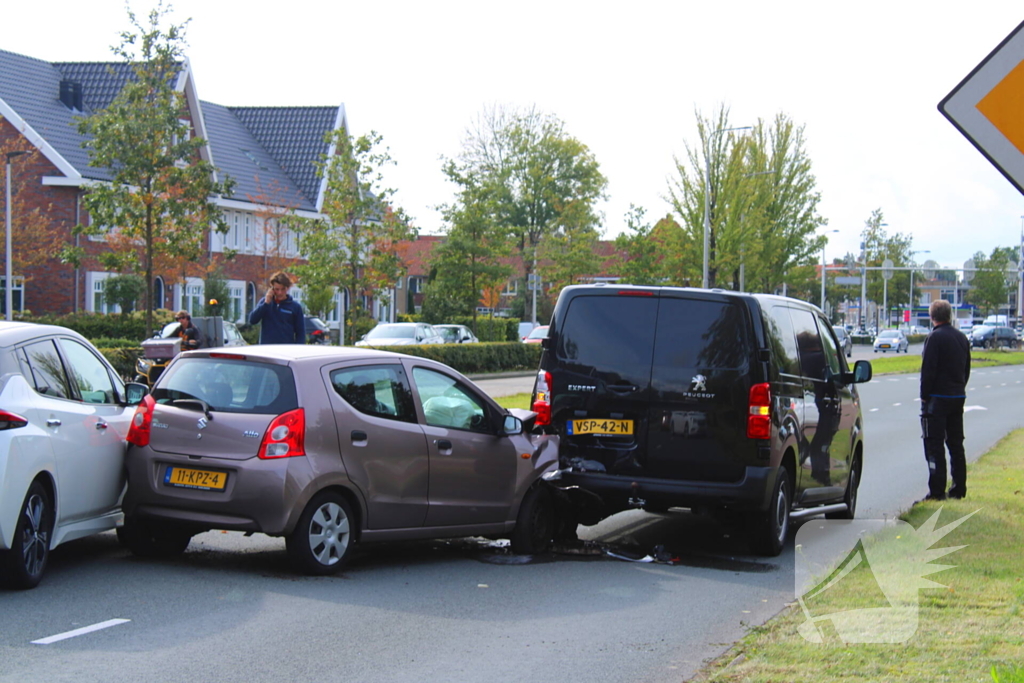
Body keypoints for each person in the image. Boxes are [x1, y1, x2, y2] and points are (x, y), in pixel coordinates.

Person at [920, 299, 971, 500]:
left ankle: (937, 490)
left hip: (937, 399)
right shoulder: (961, 338)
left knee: (934, 444)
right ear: (949, 315)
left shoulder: (934, 339)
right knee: (956, 444)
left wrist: (924, 397)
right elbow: (966, 369)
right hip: (957, 396)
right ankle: (959, 488)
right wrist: (960, 387)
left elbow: (928, 371)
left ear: (932, 317)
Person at [248, 271, 305, 344]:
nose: (280, 293)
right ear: (272, 289)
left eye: (283, 289)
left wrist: (297, 349)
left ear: (287, 288)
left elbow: (300, 333)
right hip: (267, 349)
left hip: (286, 350)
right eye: (277, 289)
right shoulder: (265, 303)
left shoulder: (295, 307)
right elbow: (252, 320)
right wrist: (266, 303)